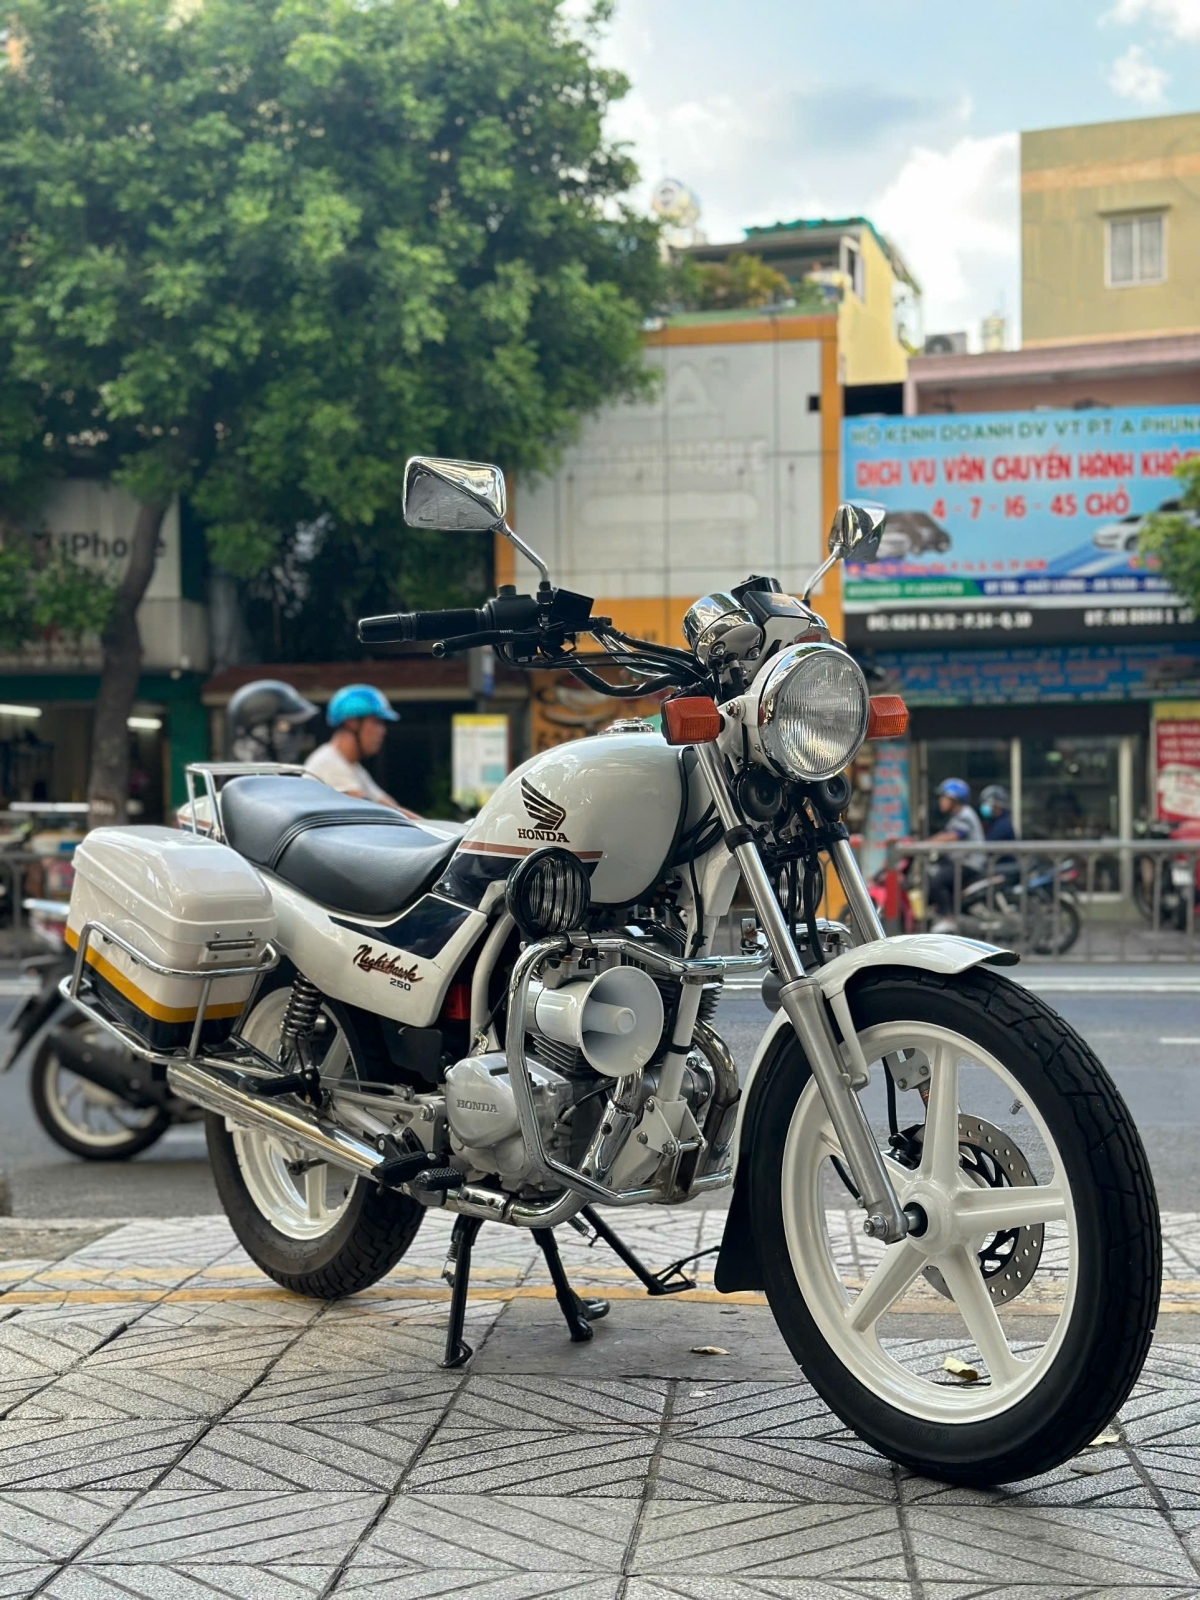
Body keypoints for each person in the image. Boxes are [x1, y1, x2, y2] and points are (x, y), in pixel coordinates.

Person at [304, 684, 415, 814]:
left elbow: (393, 809)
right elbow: (374, 815)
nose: (383, 731)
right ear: (352, 723)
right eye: (376, 722)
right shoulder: (329, 763)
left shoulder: (352, 767)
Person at [928, 777, 986, 932]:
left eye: (944, 797)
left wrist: (925, 843)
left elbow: (951, 836)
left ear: (954, 800)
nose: (941, 801)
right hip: (960, 862)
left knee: (937, 881)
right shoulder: (957, 816)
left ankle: (948, 919)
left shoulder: (965, 815)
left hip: (970, 864)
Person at [226, 680, 320, 765]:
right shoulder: (237, 782)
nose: (299, 738)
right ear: (258, 733)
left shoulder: (293, 779)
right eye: (285, 728)